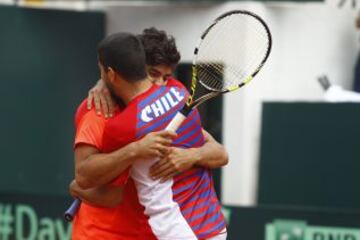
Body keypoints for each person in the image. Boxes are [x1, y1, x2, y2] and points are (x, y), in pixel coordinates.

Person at [71, 31, 228, 240]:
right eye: (153, 74)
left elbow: (220, 154)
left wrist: (191, 156)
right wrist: (135, 150)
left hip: (172, 231)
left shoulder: (173, 96)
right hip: (101, 234)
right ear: (137, 66)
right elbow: (91, 179)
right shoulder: (99, 110)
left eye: (166, 77)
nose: (160, 84)